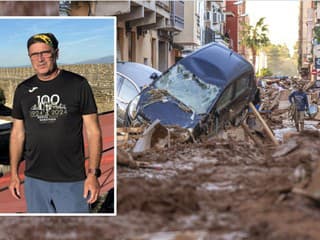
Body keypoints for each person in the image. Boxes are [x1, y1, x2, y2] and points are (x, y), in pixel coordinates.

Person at [9, 33, 102, 213]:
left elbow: (93, 132)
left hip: (71, 180)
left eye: (45, 52)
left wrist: (93, 174)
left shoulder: (78, 85)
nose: (40, 59)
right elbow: (17, 134)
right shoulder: (23, 90)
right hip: (34, 180)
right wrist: (14, 173)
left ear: (56, 53)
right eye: (34, 54)